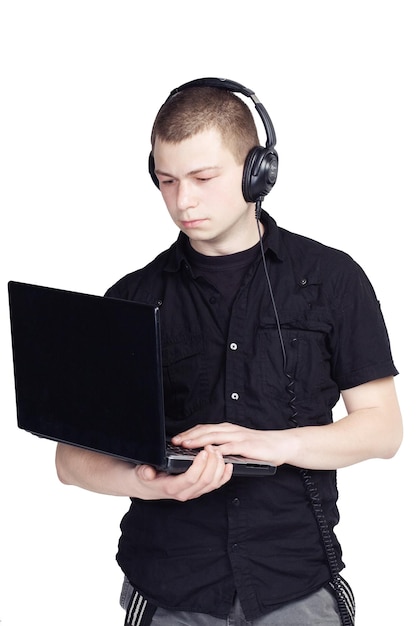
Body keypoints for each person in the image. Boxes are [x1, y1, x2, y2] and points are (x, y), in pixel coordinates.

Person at [55, 78, 403, 626]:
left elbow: (383, 431)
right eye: (167, 181)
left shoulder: (334, 279)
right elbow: (71, 460)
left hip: (296, 585)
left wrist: (269, 444)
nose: (183, 201)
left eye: (202, 178)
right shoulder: (131, 296)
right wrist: (146, 483)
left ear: (256, 172)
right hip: (169, 587)